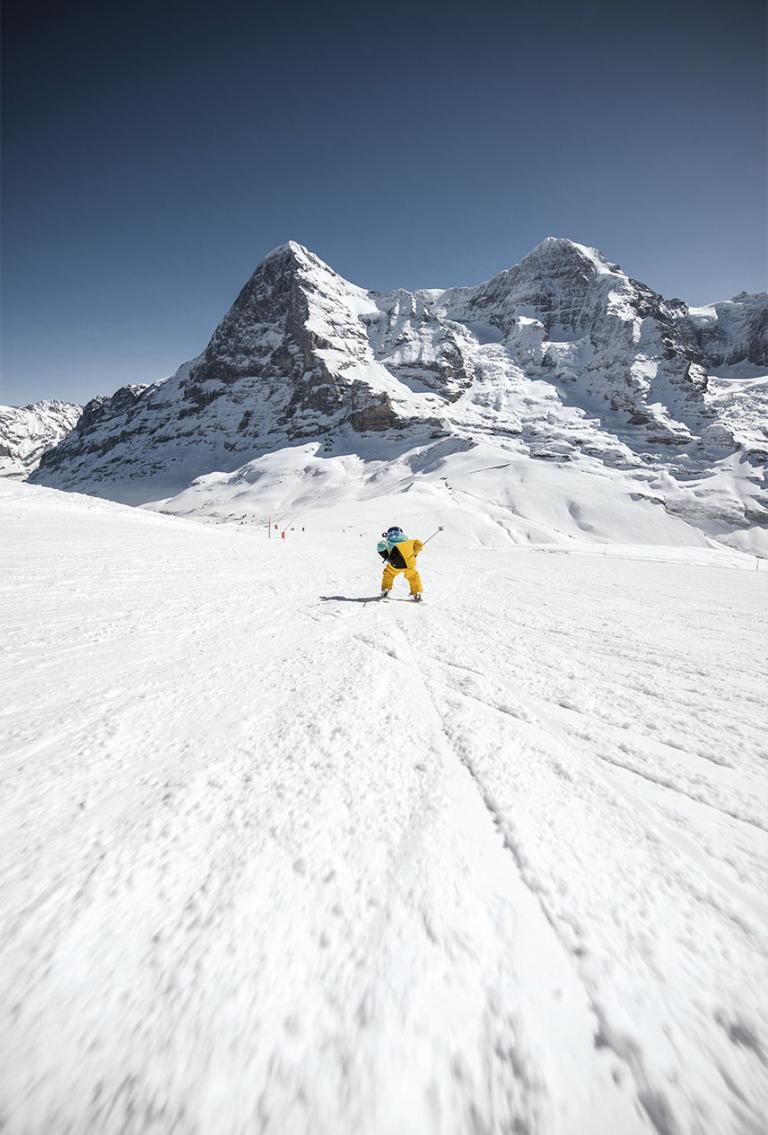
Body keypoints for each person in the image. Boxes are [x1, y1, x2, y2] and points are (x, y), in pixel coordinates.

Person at [377, 526, 424, 601]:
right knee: (413, 577)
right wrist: (415, 554)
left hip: (395, 564)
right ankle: (417, 593)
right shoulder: (409, 542)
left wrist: (387, 558)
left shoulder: (388, 542)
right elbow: (419, 544)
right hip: (409, 564)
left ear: (388, 534)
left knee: (388, 574)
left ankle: (385, 589)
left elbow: (380, 546)